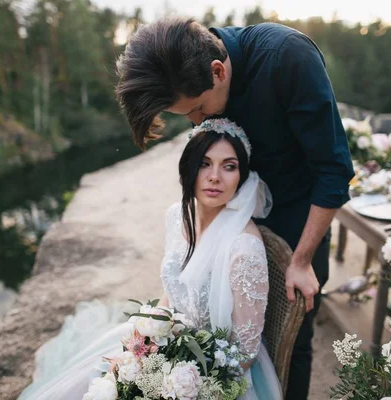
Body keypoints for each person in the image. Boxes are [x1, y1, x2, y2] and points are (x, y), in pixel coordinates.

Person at [115, 17, 355, 399]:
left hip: (297, 212)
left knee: (295, 333)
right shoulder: (189, 60)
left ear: (218, 71)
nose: (198, 122)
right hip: (231, 207)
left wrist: (302, 259)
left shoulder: (288, 58)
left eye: (197, 109)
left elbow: (334, 171)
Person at [19, 118, 282, 399]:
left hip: (219, 372)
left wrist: (179, 382)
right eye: (204, 163)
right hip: (170, 344)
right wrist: (147, 340)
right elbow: (172, 294)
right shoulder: (177, 215)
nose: (215, 176)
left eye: (229, 166)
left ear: (241, 176)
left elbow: (245, 353)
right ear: (188, 168)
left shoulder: (244, 249)